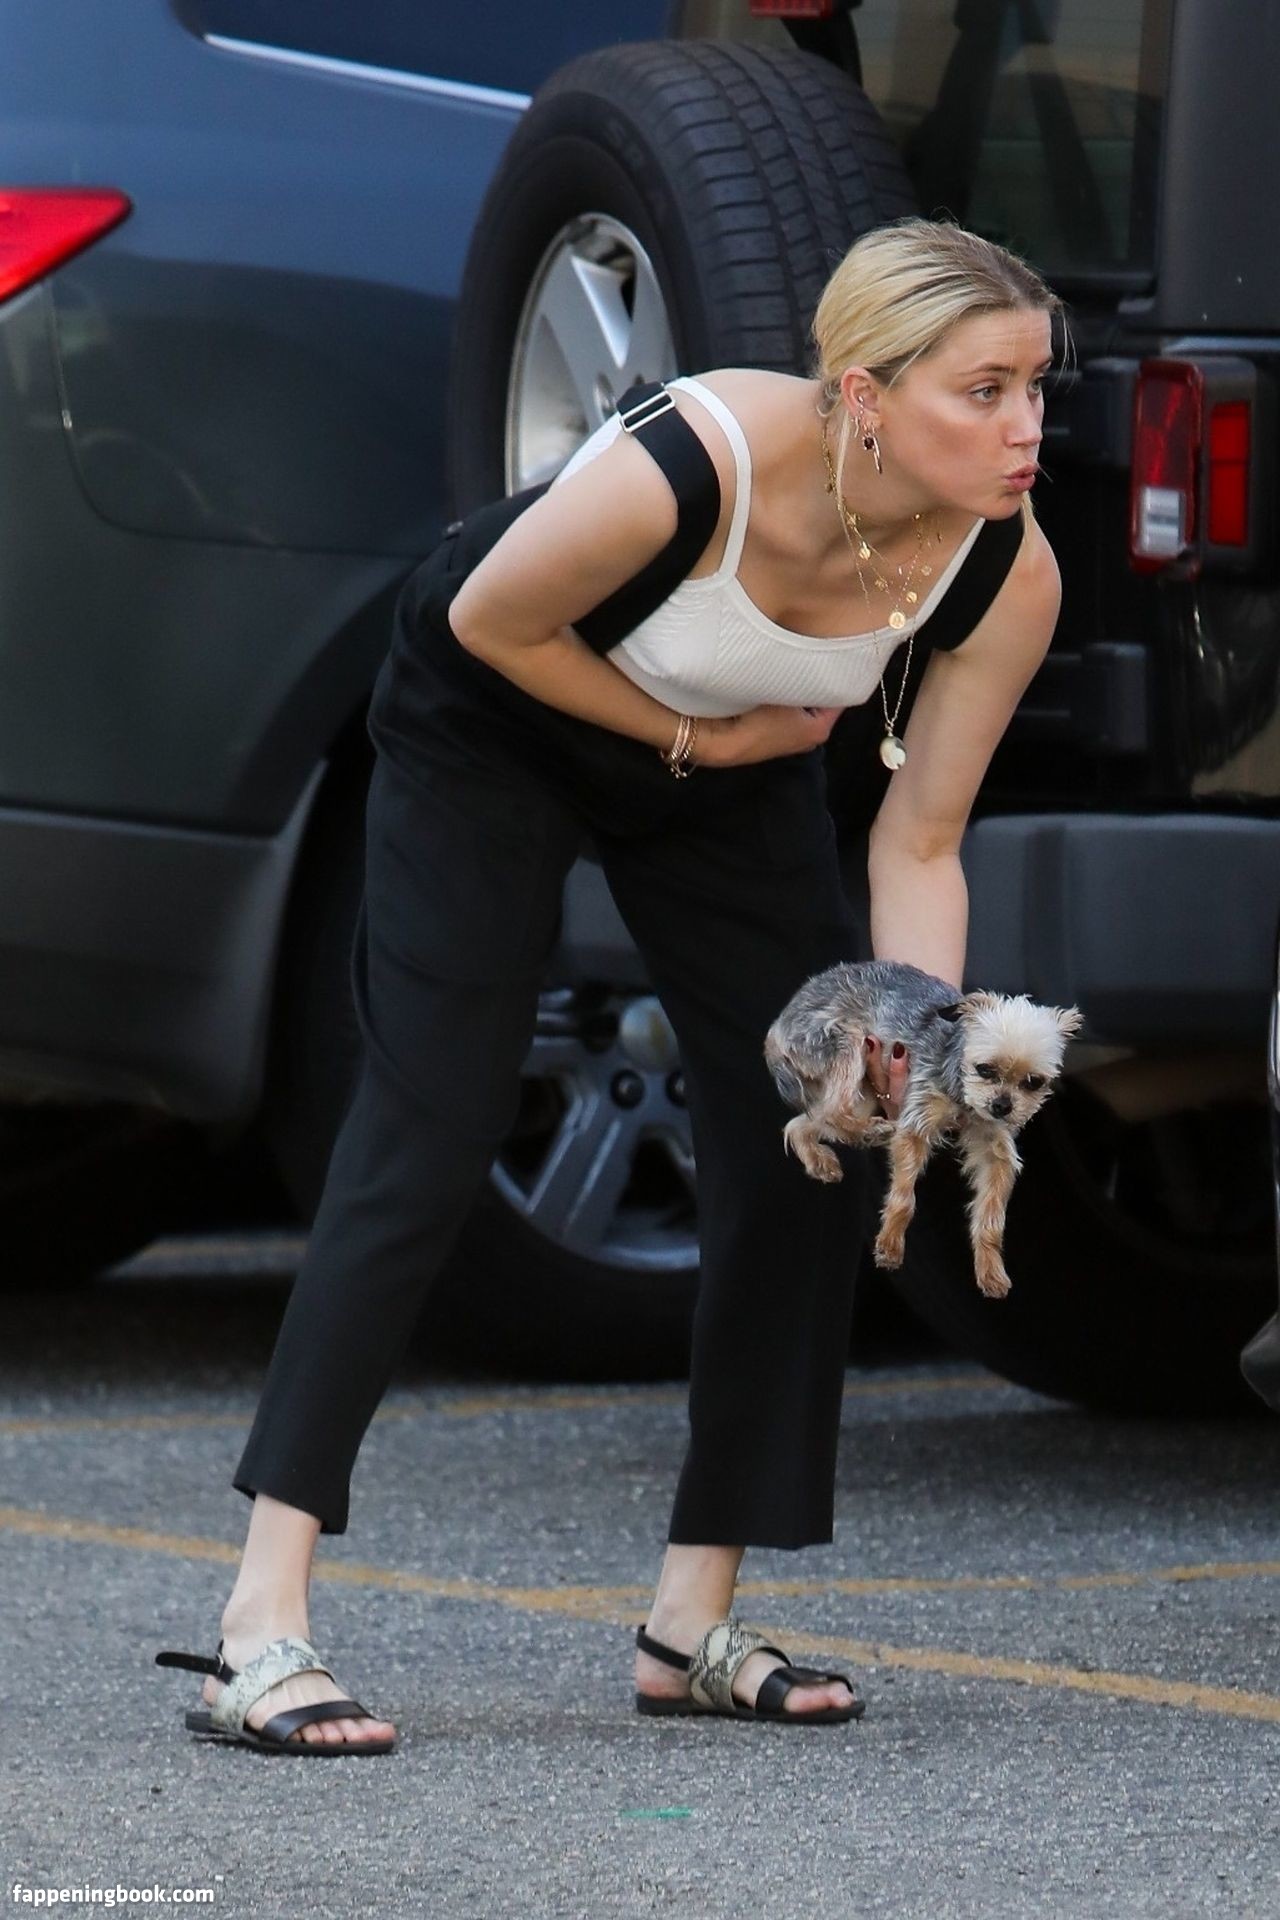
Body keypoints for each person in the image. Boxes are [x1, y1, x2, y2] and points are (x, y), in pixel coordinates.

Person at [155, 218, 1062, 1751]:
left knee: (812, 1132)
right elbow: (483, 622)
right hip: (500, 719)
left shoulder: (1007, 569)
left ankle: (691, 1622)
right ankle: (260, 1625)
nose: (1026, 426)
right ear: (862, 396)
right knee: (434, 1121)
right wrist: (695, 739)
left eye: (1038, 388)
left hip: (734, 768)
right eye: (983, 392)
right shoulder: (700, 458)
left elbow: (921, 835)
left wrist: (915, 1028)